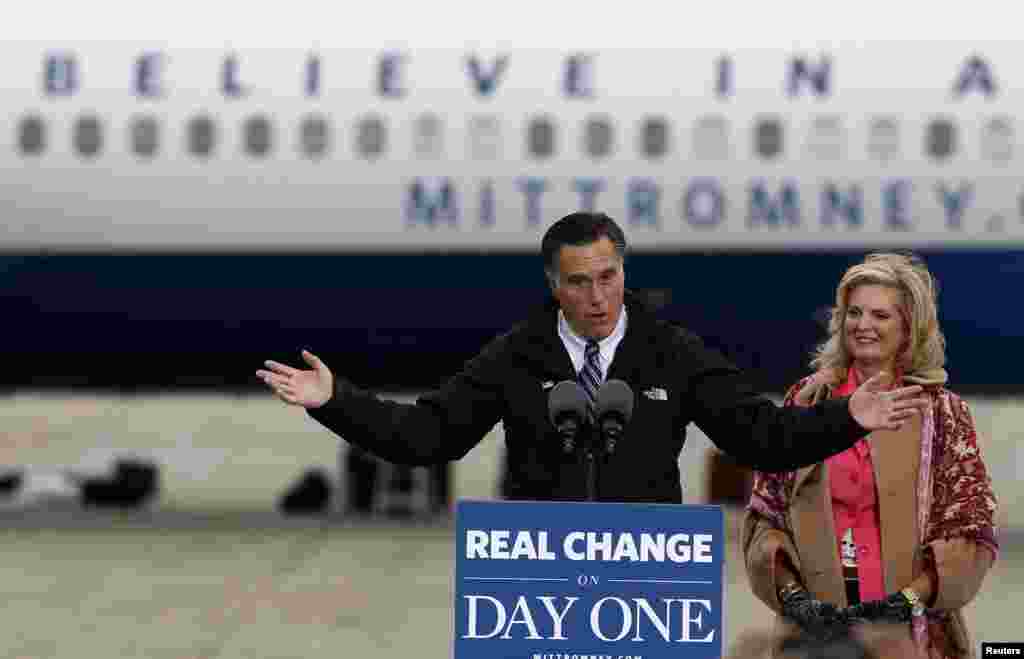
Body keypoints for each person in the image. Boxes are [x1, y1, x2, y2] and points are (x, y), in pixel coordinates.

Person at [256, 212, 928, 503]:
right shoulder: (519, 352)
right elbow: (429, 434)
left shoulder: (670, 349)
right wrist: (335, 400)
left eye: (609, 276)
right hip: (538, 580)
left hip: (643, 576)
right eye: (580, 282)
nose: (599, 296)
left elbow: (764, 436)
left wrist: (849, 416)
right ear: (554, 284)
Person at [742, 253, 998, 659]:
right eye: (854, 313)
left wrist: (906, 602)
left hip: (908, 637)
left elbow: (970, 527)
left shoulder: (942, 412)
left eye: (881, 315)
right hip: (813, 635)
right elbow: (766, 515)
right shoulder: (806, 401)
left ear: (909, 327)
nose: (863, 326)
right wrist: (793, 599)